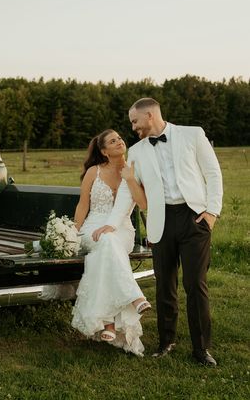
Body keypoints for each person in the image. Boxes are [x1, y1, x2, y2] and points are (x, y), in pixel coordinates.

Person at [103, 98, 223, 366]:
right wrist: (112, 222)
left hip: (194, 217)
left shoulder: (193, 134)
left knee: (195, 284)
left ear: (149, 115)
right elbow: (126, 190)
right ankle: (166, 342)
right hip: (160, 221)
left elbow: (213, 173)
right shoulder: (136, 151)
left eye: (135, 121)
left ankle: (201, 349)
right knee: (164, 285)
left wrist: (212, 212)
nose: (133, 127)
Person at [71, 129, 152, 357]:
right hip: (92, 227)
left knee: (108, 246)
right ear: (104, 151)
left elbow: (143, 203)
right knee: (106, 243)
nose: (119, 141)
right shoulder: (93, 172)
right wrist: (73, 232)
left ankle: (107, 323)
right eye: (112, 141)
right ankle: (135, 297)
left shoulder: (134, 169)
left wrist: (129, 178)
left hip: (123, 230)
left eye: (119, 138)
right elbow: (82, 206)